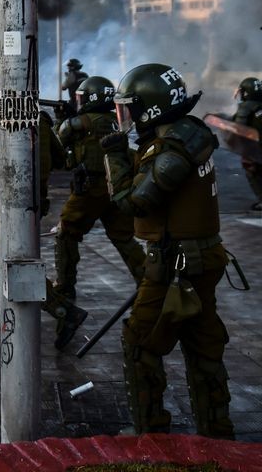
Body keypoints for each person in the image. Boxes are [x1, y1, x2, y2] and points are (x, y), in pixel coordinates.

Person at [101, 63, 233, 438]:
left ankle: (151, 434)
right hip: (200, 258)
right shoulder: (189, 133)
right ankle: (218, 435)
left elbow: (133, 202)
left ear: (151, 108)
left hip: (175, 264)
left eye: (130, 108)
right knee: (204, 347)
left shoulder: (171, 150)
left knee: (140, 344)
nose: (126, 117)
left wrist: (114, 154)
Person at [46, 76, 146, 350]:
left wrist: (62, 119)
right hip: (116, 189)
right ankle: (151, 283)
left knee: (66, 235)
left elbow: (58, 148)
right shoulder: (116, 120)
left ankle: (64, 293)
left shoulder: (80, 123)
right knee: (124, 238)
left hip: (89, 191)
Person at [0, 72, 63, 332]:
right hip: (36, 200)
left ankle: (62, 310)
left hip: (12, 203)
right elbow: (62, 159)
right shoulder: (40, 119)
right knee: (20, 256)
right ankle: (11, 311)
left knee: (10, 258)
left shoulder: (0, 121)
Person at [231, 77, 262, 210]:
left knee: (252, 173)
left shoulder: (246, 107)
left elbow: (239, 129)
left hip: (255, 148)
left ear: (246, 92)